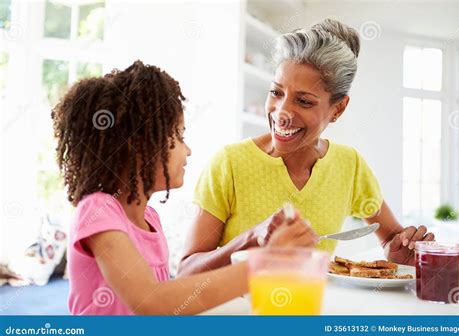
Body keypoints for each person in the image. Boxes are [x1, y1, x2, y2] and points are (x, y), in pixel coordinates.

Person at [52, 60, 318, 315]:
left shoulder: (150, 220)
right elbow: (152, 301)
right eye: (178, 136)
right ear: (138, 146)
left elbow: (173, 302)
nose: (188, 150)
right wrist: (267, 263)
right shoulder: (98, 211)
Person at [179, 19, 435, 276]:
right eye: (276, 93)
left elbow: (391, 239)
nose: (282, 114)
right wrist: (251, 239)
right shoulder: (229, 164)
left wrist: (400, 252)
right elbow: (187, 272)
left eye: (303, 101)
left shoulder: (349, 165)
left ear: (338, 108)